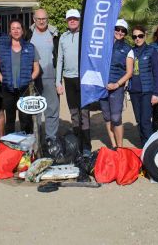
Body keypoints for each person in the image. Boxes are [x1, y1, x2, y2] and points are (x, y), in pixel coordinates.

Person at [0, 19, 41, 135]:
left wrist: (29, 79)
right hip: (8, 89)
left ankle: (26, 145)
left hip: (24, 89)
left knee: (25, 119)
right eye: (13, 28)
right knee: (10, 119)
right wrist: (3, 80)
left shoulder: (30, 47)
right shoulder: (2, 48)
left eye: (18, 28)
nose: (16, 31)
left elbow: (36, 68)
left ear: (22, 31)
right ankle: (11, 145)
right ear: (9, 31)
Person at [56, 9, 92, 155]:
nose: (72, 21)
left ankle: (86, 147)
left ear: (79, 20)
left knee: (84, 113)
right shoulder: (63, 38)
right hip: (68, 79)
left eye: (75, 19)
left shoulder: (85, 36)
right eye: (70, 19)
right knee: (74, 114)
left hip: (83, 79)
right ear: (66, 21)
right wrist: (58, 82)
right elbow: (60, 60)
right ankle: (77, 145)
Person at [26, 9, 60, 143]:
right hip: (33, 78)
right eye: (38, 19)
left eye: (44, 18)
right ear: (34, 19)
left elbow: (59, 55)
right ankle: (37, 140)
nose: (41, 21)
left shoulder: (54, 34)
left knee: (52, 110)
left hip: (50, 77)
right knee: (35, 111)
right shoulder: (28, 34)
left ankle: (51, 139)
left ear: (47, 19)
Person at [99, 19, 134, 148]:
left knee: (115, 117)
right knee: (107, 116)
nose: (119, 32)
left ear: (125, 33)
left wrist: (117, 84)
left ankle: (120, 147)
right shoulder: (103, 45)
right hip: (102, 86)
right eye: (117, 29)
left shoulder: (127, 49)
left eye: (123, 31)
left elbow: (129, 72)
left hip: (116, 87)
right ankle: (113, 145)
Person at [129, 25, 158, 145]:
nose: (137, 38)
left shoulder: (151, 51)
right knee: (139, 120)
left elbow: (157, 73)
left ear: (145, 36)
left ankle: (150, 147)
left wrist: (156, 93)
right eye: (135, 36)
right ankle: (143, 145)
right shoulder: (131, 51)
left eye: (140, 36)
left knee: (145, 121)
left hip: (147, 91)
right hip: (134, 91)